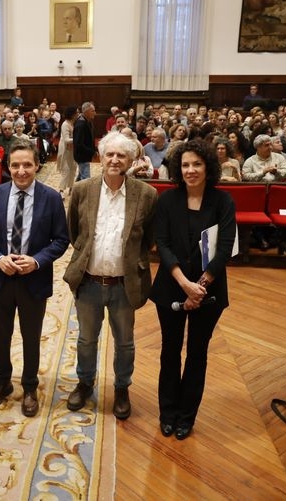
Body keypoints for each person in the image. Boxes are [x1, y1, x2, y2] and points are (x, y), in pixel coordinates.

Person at [62, 132, 157, 418]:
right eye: (109, 155)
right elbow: (74, 232)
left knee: (125, 342)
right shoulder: (82, 189)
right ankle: (84, 383)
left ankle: (121, 388)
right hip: (89, 282)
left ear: (131, 160)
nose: (115, 160)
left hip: (124, 285)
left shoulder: (146, 194)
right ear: (100, 158)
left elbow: (148, 238)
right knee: (86, 340)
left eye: (121, 156)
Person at [0, 140, 69, 417]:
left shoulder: (51, 197)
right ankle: (2, 383)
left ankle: (29, 387)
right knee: (0, 336)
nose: (21, 171)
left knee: (30, 336)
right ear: (8, 167)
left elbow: (61, 239)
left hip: (33, 280)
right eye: (15, 165)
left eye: (27, 164)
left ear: (37, 165)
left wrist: (37, 260)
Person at [150, 139, 237, 440]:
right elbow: (162, 244)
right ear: (178, 168)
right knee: (170, 351)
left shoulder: (223, 201)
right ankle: (168, 412)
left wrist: (199, 287)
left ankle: (187, 417)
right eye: (185, 165)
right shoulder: (167, 200)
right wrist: (185, 285)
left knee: (197, 353)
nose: (190, 170)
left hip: (209, 291)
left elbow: (225, 248)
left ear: (208, 167)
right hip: (172, 286)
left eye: (196, 164)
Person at [57, 105, 78, 196]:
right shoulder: (65, 124)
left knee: (73, 169)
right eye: (77, 112)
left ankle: (71, 187)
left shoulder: (74, 123)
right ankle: (61, 190)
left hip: (72, 149)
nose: (78, 114)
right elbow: (66, 140)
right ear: (72, 114)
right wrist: (79, 139)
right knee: (66, 170)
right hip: (65, 149)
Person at [73, 102, 96, 181]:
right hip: (82, 156)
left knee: (81, 175)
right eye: (93, 111)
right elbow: (79, 144)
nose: (95, 113)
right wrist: (92, 152)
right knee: (86, 179)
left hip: (84, 155)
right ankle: (84, 193)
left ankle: (74, 190)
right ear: (86, 111)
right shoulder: (81, 124)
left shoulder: (87, 121)